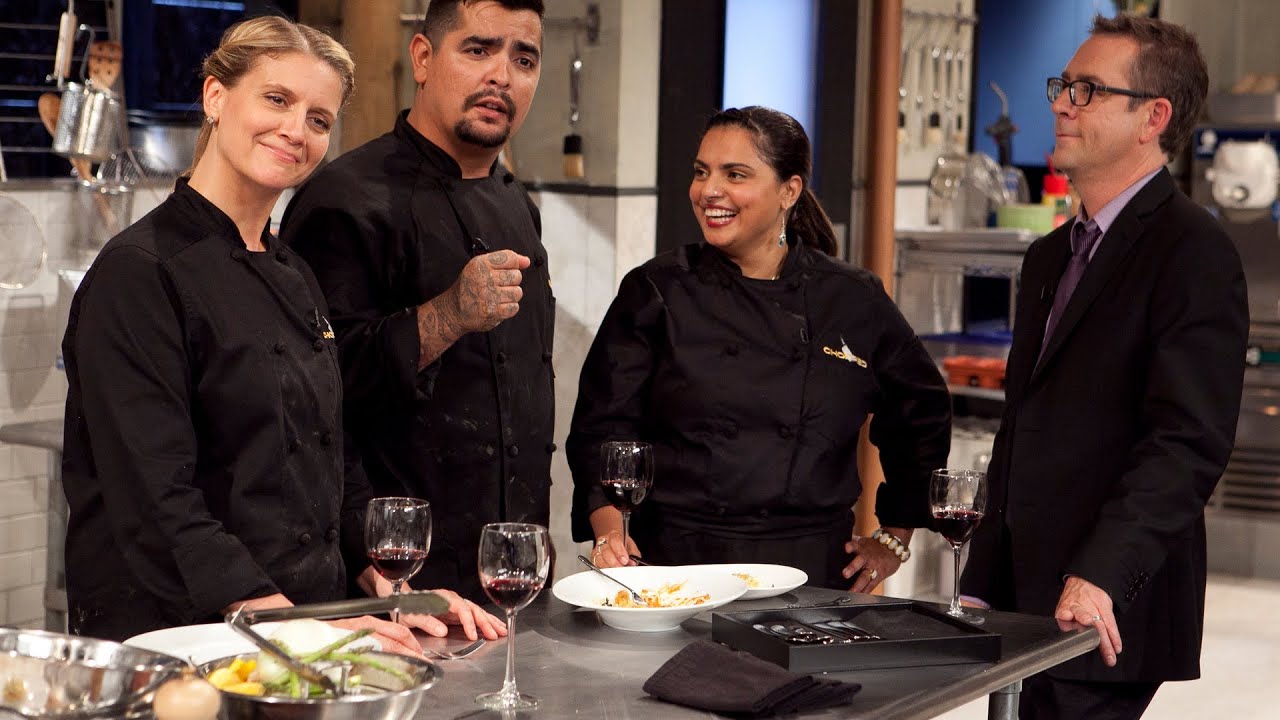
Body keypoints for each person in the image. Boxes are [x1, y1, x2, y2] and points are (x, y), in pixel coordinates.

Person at [61, 16, 503, 651]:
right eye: (277, 99)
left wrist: (388, 587)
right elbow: (155, 499)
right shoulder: (139, 274)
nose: (296, 130)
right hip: (180, 640)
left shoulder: (292, 270)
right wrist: (292, 624)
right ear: (215, 96)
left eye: (319, 119)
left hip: (298, 624)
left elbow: (328, 453)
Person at [959, 15, 1248, 720]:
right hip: (1024, 594)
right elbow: (1022, 424)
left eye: (1087, 90)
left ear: (1153, 117)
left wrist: (1100, 575)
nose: (1061, 104)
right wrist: (984, 572)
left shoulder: (1192, 251)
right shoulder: (1049, 256)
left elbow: (1186, 444)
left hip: (1104, 604)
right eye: (1063, 86)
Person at [566, 106, 952, 591]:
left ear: (789, 191)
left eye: (735, 175)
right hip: (675, 567)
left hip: (811, 573)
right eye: (702, 172)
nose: (709, 190)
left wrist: (894, 537)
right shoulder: (658, 290)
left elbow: (921, 412)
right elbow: (603, 427)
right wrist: (612, 534)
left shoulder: (851, 298)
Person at [280, 0, 553, 603]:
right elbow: (310, 395)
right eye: (478, 50)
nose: (502, 77)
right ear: (423, 58)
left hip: (511, 566)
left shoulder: (518, 204)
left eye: (524, 59)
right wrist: (447, 316)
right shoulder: (344, 200)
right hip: (391, 572)